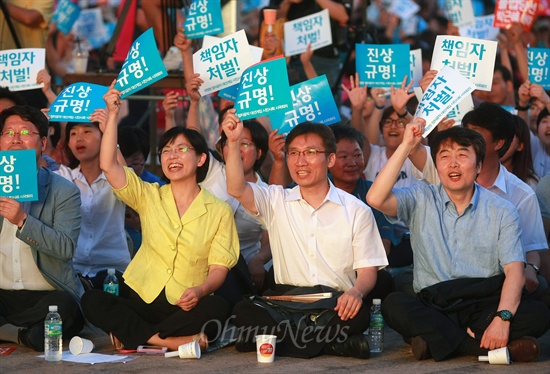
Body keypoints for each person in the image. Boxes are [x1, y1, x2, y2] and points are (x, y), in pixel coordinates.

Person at [366, 123, 550, 362]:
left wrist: (502, 319)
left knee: (539, 313)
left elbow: (514, 270)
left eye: (462, 155)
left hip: (484, 300)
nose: (453, 163)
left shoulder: (502, 210)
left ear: (479, 166)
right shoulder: (422, 196)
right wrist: (406, 146)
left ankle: (437, 341)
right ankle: (488, 349)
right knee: (394, 305)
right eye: (444, 156)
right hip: (436, 300)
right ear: (437, 166)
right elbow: (375, 198)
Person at [81, 82, 240, 352]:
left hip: (185, 305)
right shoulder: (149, 194)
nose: (172, 156)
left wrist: (200, 291)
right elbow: (109, 165)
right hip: (143, 299)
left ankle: (136, 336)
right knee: (92, 301)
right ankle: (168, 341)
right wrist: (113, 116)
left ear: (201, 159)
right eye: (166, 151)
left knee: (218, 306)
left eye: (181, 149)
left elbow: (219, 269)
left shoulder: (219, 210)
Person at [224, 113, 388, 359]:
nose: (301, 161)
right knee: (243, 311)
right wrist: (234, 142)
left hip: (332, 304)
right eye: (294, 153)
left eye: (310, 153)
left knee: (358, 315)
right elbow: (236, 188)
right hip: (286, 301)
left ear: (330, 159)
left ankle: (276, 343)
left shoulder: (357, 210)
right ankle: (333, 345)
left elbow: (367, 272)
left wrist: (355, 293)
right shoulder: (276, 199)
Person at [409, 103, 549, 292]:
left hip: (494, 284)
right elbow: (411, 149)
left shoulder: (522, 194)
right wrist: (424, 104)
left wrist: (531, 269)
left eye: (475, 132)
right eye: (466, 130)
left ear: (498, 143)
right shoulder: (447, 167)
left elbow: (532, 247)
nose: (466, 138)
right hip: (441, 282)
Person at [0, 105, 84, 351]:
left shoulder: (64, 191)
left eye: (25, 133)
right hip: (3, 294)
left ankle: (7, 330)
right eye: (8, 133)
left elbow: (65, 248)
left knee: (66, 308)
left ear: (43, 143)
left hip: (47, 295)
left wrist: (23, 220)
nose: (16, 139)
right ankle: (23, 334)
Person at [55, 112, 131, 292]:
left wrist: (110, 133)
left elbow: (131, 183)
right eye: (73, 134)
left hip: (114, 272)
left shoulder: (116, 180)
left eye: (87, 132)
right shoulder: (63, 178)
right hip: (72, 271)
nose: (79, 138)